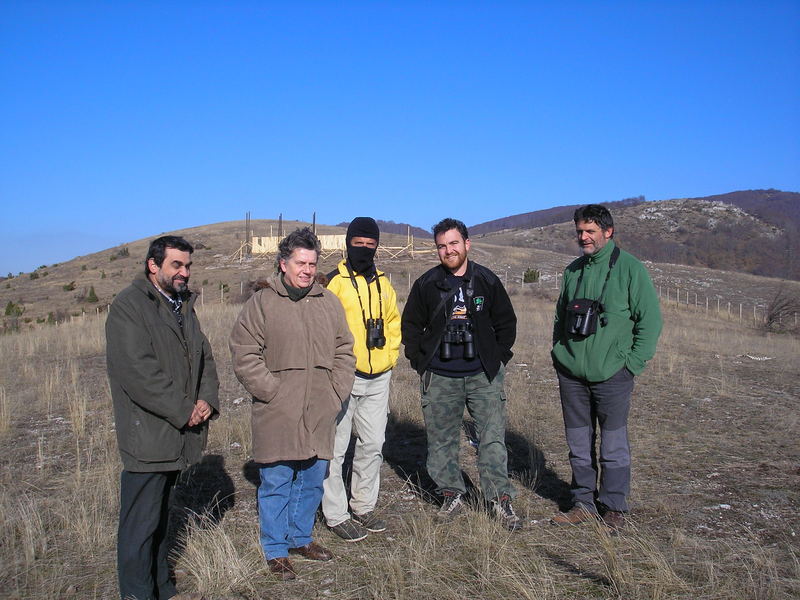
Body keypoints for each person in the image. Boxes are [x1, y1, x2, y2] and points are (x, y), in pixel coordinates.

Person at [229, 227, 355, 581]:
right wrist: (272, 391)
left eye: (312, 263)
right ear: (283, 264)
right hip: (278, 410)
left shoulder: (328, 302)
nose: (307, 270)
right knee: (277, 480)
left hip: (320, 407)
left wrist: (336, 392)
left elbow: (346, 350)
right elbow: (244, 352)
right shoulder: (262, 303)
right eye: (300, 263)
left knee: (313, 478)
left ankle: (300, 538)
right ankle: (275, 549)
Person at [106, 235, 219, 600]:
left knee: (160, 520)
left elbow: (205, 358)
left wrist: (206, 400)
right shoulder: (129, 306)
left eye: (187, 265)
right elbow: (138, 372)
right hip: (148, 434)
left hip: (176, 433)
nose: (184, 272)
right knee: (139, 525)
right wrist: (184, 409)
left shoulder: (183, 305)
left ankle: (160, 586)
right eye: (176, 265)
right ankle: (137, 593)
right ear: (153, 265)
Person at [401, 218, 522, 531]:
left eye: (454, 243)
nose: (448, 250)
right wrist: (419, 360)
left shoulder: (487, 281)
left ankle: (499, 499)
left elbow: (507, 323)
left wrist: (498, 360)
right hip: (440, 376)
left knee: (492, 439)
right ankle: (451, 492)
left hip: (483, 375)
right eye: (442, 245)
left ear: (467, 244)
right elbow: (411, 326)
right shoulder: (427, 284)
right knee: (441, 440)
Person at [551, 204, 662, 531]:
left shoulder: (630, 269)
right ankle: (583, 502)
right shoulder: (572, 271)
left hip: (613, 375)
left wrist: (631, 365)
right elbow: (560, 318)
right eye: (580, 232)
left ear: (608, 232)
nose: (583, 237)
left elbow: (650, 321)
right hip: (571, 374)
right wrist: (560, 353)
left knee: (613, 444)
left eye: (590, 232)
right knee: (578, 443)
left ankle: (613, 506)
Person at [321, 217, 401, 542]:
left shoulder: (384, 283)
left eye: (371, 245)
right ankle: (336, 514)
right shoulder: (333, 283)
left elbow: (393, 321)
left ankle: (364, 506)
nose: (365, 249)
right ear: (347, 243)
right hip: (343, 377)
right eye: (359, 243)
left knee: (373, 444)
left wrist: (389, 355)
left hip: (379, 375)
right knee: (336, 448)